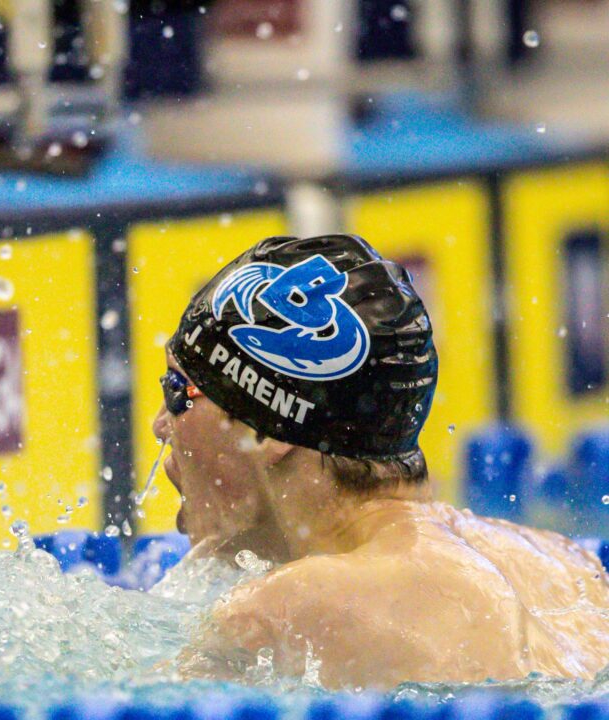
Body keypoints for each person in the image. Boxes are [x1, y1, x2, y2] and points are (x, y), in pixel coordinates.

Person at [154, 235, 609, 689]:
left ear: (264, 429)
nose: (160, 425)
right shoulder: (563, 564)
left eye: (178, 390)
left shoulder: (278, 612)